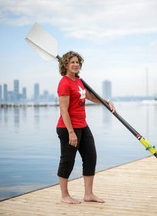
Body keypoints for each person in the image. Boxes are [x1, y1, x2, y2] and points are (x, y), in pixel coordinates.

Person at [56, 51, 115, 204]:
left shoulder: (78, 81)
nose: (76, 64)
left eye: (78, 62)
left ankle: (88, 194)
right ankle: (64, 196)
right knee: (67, 161)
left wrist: (106, 101)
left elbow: (90, 97)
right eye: (72, 62)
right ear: (65, 65)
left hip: (83, 126)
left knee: (90, 157)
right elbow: (63, 110)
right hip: (68, 128)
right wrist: (71, 132)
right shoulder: (64, 83)